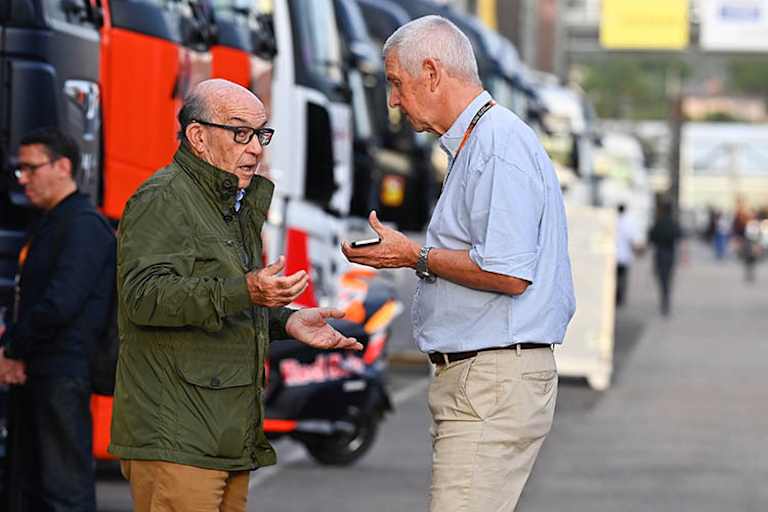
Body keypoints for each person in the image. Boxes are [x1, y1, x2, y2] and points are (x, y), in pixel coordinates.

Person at [342, 16, 575, 512]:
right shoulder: (485, 142)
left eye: (396, 84)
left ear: (431, 72)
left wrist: (415, 255)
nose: (393, 101)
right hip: (488, 379)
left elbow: (508, 273)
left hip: (491, 379)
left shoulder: (495, 146)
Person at [109, 79, 362, 512]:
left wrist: (287, 321)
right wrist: (245, 289)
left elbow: (228, 303)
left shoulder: (228, 204)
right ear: (198, 137)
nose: (256, 148)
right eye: (240, 133)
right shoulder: (164, 198)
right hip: (178, 438)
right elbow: (143, 297)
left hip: (224, 435)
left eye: (261, 133)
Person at [0, 127, 116, 511]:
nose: (23, 178)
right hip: (38, 372)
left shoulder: (84, 225)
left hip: (63, 376)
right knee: (28, 489)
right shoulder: (52, 221)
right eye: (21, 170)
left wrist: (13, 346)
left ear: (63, 166)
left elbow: (61, 303)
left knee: (63, 491)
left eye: (31, 168)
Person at [648, 200, 684, 315]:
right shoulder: (673, 223)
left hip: (660, 252)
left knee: (661, 277)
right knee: (668, 278)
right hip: (670, 253)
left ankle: (664, 297)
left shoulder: (658, 222)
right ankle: (666, 298)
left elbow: (651, 237)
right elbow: (679, 235)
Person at [615, 203, 642, 307]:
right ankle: (620, 298)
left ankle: (616, 297)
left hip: (614, 256)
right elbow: (632, 239)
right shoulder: (628, 222)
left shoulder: (614, 220)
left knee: (615, 278)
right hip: (624, 256)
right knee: (622, 278)